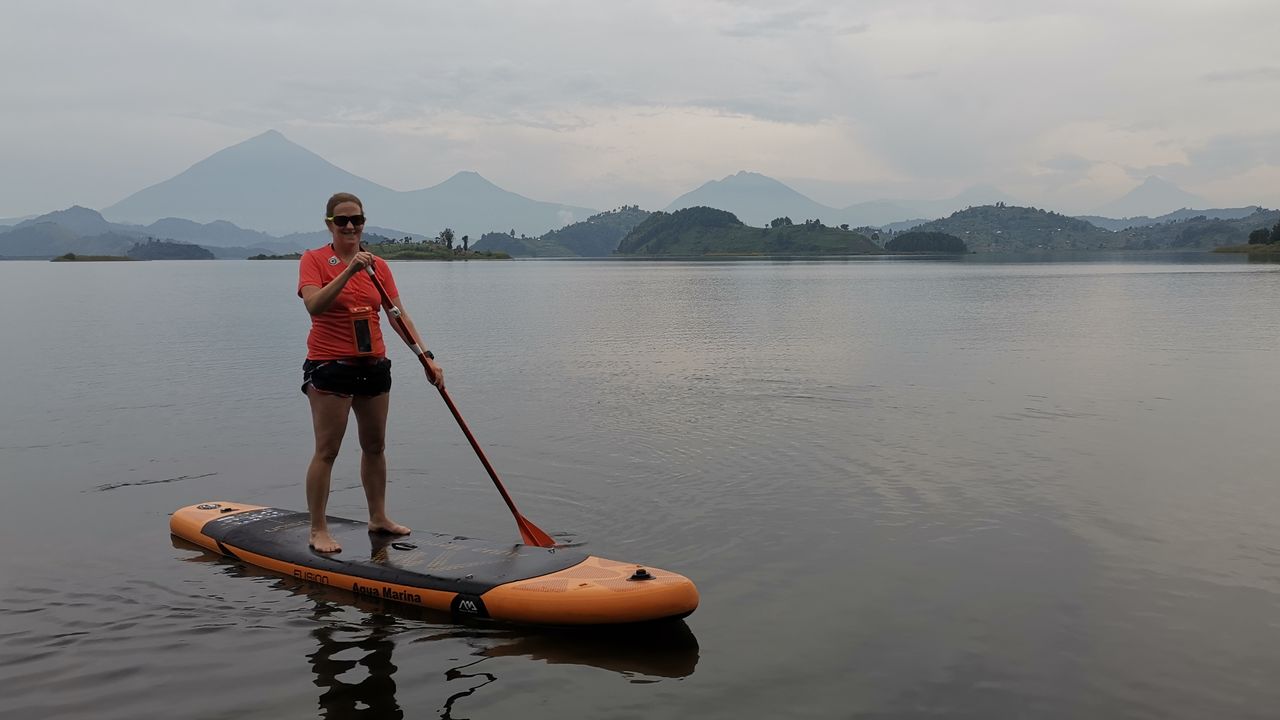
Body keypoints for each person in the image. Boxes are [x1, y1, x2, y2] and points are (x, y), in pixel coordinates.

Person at [297, 192, 444, 553]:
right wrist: (348, 270)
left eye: (356, 220)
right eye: (342, 220)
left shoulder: (379, 265)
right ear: (329, 223)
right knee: (327, 450)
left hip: (374, 366)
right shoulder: (314, 260)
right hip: (330, 367)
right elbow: (314, 305)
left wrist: (425, 356)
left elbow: (397, 314)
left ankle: (378, 517)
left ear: (364, 222)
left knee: (375, 446)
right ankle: (318, 528)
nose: (350, 226)